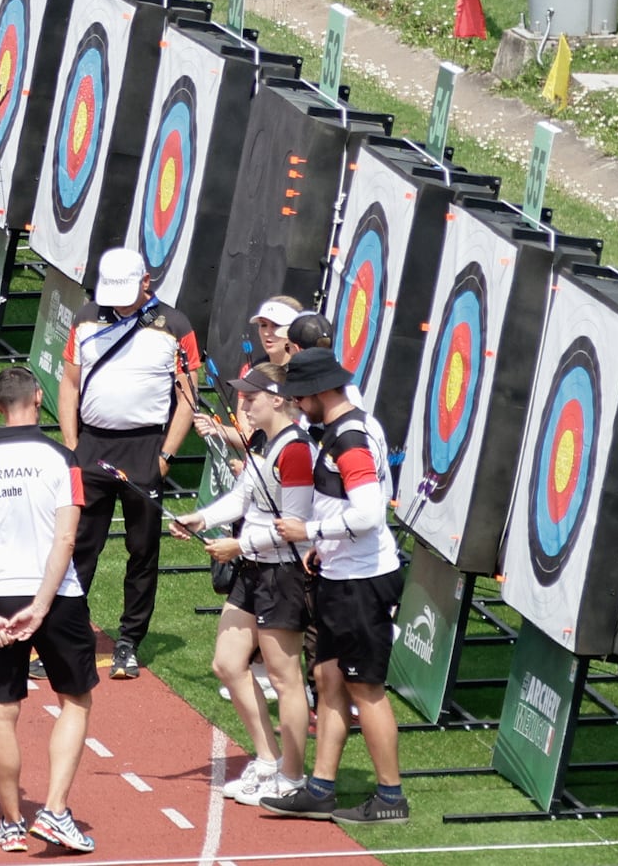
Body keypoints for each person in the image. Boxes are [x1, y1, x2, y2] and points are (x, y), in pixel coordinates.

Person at [0, 367, 99, 855]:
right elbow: (66, 538)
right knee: (74, 701)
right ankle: (55, 810)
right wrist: (42, 605)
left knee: (2, 708)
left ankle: (12, 824)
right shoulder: (62, 459)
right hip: (58, 597)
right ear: (39, 397)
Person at [266, 345, 408, 823]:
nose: (296, 404)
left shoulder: (347, 440)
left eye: (300, 396)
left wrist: (312, 532)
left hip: (362, 582)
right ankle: (321, 788)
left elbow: (367, 514)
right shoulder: (345, 429)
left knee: (365, 687)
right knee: (328, 678)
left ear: (320, 391)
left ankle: (391, 798)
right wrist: (321, 545)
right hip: (340, 573)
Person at [171, 362, 315, 805]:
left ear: (278, 398)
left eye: (252, 397)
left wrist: (238, 545)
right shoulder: (264, 443)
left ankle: (291, 775)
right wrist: (203, 517)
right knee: (228, 663)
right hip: (254, 568)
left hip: (280, 574)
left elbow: (296, 525)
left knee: (286, 677)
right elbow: (242, 498)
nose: (245, 404)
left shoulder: (295, 450)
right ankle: (268, 759)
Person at [61, 247, 200, 681]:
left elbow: (187, 399)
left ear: (146, 283)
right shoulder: (86, 317)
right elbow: (69, 382)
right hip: (93, 447)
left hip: (145, 449)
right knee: (79, 545)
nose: (117, 301)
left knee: (143, 551)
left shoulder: (176, 326)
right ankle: (69, 636)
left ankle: (128, 642)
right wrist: (71, 447)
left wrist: (165, 456)